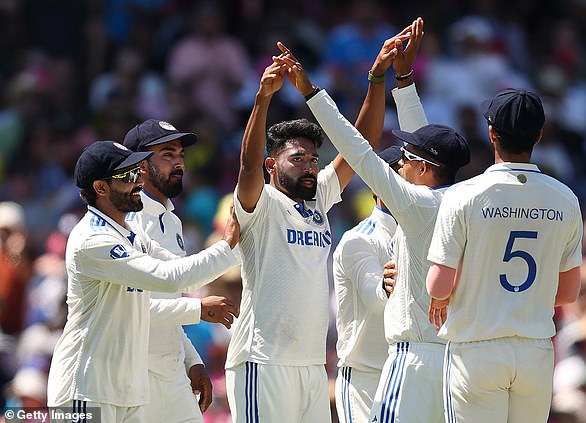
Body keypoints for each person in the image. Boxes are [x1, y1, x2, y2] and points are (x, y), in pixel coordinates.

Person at [277, 16, 470, 423]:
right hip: (372, 375)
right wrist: (404, 80)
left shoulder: (418, 208)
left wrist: (316, 91)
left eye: (407, 163)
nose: (404, 167)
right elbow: (426, 150)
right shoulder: (454, 205)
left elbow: (374, 149)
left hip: (412, 362)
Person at [222, 26, 408, 421]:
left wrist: (376, 79)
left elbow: (362, 148)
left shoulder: (319, 198)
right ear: (273, 166)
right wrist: (263, 99)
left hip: (310, 365)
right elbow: (247, 164)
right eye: (297, 159)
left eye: (312, 159)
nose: (310, 166)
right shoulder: (261, 201)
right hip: (262, 360)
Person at [47, 141, 240, 422]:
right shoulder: (92, 239)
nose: (139, 182)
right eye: (128, 176)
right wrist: (228, 243)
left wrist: (190, 358)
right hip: (84, 389)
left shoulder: (132, 235)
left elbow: (180, 274)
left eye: (138, 172)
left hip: (126, 392)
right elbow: (171, 278)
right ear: (101, 188)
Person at [426, 88, 583, 423]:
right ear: (539, 135)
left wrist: (449, 295)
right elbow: (568, 293)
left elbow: (439, 286)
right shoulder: (565, 198)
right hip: (535, 349)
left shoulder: (464, 195)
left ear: (491, 132)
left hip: (476, 346)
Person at [123, 119, 240, 422]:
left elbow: (169, 299)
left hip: (171, 370)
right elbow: (134, 308)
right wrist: (197, 309)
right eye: (167, 155)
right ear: (141, 165)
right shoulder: (128, 223)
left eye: (180, 155)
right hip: (133, 373)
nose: (178, 163)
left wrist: (191, 361)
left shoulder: (173, 222)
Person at [333, 146, 401, 423]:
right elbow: (375, 300)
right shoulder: (359, 240)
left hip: (408, 371)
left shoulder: (423, 233)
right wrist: (389, 286)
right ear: (377, 186)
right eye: (395, 177)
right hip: (365, 380)